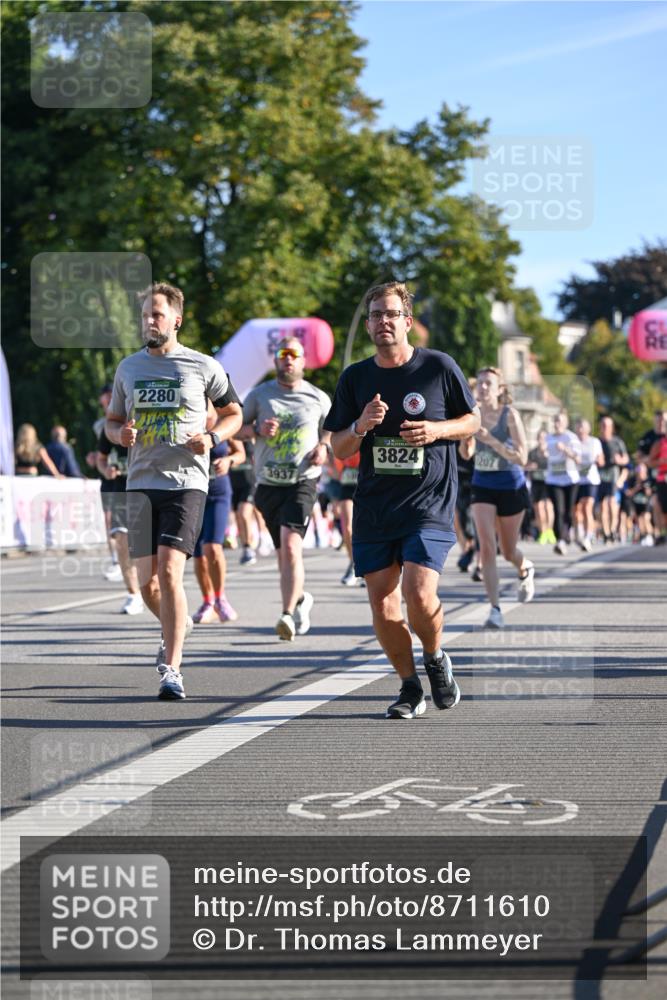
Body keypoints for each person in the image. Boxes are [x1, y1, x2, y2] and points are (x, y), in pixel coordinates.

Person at [324, 281, 479, 719]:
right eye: (375, 315)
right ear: (368, 324)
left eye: (391, 314)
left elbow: (472, 421)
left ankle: (435, 656)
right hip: (375, 506)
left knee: (418, 591)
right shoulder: (355, 377)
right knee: (382, 602)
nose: (383, 322)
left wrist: (436, 430)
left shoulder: (438, 367)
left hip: (428, 502)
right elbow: (338, 447)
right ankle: (410, 686)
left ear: (407, 321)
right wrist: (360, 426)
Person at [105, 281, 242, 700]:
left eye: (157, 314)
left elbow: (234, 413)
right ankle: (177, 624)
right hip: (140, 484)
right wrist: (119, 435)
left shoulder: (202, 366)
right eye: (145, 315)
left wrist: (214, 437)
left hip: (186, 483)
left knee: (169, 571)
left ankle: (173, 668)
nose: (149, 321)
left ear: (176, 320)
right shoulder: (128, 368)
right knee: (147, 584)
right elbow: (112, 421)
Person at [239, 337, 332, 640]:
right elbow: (235, 428)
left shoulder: (317, 397)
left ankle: (287, 614)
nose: (288, 359)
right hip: (268, 483)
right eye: (283, 354)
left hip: (302, 480)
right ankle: (301, 598)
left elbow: (332, 429)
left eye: (294, 354)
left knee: (291, 547)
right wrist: (256, 429)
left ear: (303, 361)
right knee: (284, 555)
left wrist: (324, 447)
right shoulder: (259, 395)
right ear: (277, 360)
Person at [469, 367, 533, 629]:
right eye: (480, 383)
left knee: (508, 551)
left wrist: (492, 441)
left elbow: (522, 457)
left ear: (499, 390)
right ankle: (495, 608)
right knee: (486, 546)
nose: (483, 387)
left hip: (510, 486)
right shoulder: (472, 414)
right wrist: (466, 440)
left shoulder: (510, 415)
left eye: (488, 384)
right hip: (482, 485)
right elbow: (465, 454)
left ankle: (524, 567)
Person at [191, 407, 245, 624]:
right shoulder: (187, 416)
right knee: (197, 553)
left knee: (212, 547)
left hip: (218, 492)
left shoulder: (224, 420)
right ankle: (208, 602)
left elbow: (240, 453)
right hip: (191, 494)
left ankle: (221, 599)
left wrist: (229, 460)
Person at [96, 428, 144, 614]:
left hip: (152, 488)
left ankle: (158, 590)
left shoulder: (156, 415)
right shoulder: (111, 426)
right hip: (121, 490)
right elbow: (101, 458)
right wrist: (105, 470)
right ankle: (134, 594)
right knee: (122, 540)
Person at [545, 410, 581, 555]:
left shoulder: (571, 437)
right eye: (555, 421)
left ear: (566, 423)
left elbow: (578, 459)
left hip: (570, 480)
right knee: (558, 510)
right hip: (553, 480)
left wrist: (565, 450)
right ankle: (560, 540)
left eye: (559, 421)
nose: (557, 424)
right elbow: (546, 455)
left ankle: (568, 532)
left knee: (569, 511)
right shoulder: (548, 438)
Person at [573, 418, 604, 552]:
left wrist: (596, 460)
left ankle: (587, 537)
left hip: (591, 479)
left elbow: (602, 461)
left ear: (588, 429)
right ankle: (579, 533)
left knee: (587, 508)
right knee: (576, 510)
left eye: (583, 427)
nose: (580, 430)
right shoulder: (573, 443)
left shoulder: (594, 442)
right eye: (578, 427)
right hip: (576, 479)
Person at [598, 415, 629, 543]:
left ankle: (612, 530)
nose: (605, 428)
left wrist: (619, 460)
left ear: (612, 428)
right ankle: (605, 532)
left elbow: (626, 459)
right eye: (603, 425)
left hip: (613, 475)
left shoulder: (617, 442)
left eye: (607, 425)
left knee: (612, 503)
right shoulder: (597, 442)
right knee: (602, 506)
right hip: (600, 475)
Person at [525, 429, 555, 545]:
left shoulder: (551, 452)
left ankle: (550, 530)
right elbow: (525, 466)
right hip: (536, 482)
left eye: (544, 437)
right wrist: (530, 466)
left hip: (548, 482)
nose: (541, 440)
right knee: (538, 508)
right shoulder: (532, 452)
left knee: (548, 507)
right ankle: (543, 532)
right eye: (540, 437)